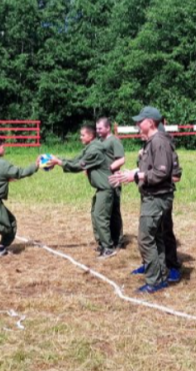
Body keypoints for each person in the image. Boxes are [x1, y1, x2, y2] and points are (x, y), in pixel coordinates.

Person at [109, 106, 175, 293]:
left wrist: (137, 176)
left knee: (146, 239)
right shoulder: (152, 142)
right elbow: (151, 169)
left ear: (151, 123)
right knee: (156, 237)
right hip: (153, 196)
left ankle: (154, 280)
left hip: (156, 197)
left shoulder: (158, 142)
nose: (137, 124)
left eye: (140, 121)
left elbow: (161, 172)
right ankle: (161, 276)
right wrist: (133, 173)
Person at [48, 125, 116, 259]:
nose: (80, 138)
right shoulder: (90, 147)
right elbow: (75, 159)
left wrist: (59, 162)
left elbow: (77, 166)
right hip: (100, 189)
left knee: (100, 217)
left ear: (90, 136)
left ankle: (108, 248)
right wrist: (57, 160)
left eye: (82, 135)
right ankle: (102, 244)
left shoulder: (94, 150)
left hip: (105, 189)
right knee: (95, 215)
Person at [157, 122, 184, 282]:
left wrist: (155, 178)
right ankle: (152, 263)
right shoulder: (147, 149)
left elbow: (176, 177)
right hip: (149, 196)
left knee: (165, 230)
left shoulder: (169, 152)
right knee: (152, 231)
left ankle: (172, 265)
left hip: (163, 195)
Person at [96, 117, 125, 250]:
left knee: (114, 211)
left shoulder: (114, 141)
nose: (98, 131)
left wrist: (109, 168)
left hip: (113, 180)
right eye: (96, 128)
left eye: (100, 128)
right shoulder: (99, 142)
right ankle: (105, 239)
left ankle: (118, 240)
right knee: (104, 212)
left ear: (108, 128)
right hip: (103, 181)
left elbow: (121, 159)